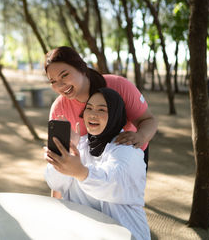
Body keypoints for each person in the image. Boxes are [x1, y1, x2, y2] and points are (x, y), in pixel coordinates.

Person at [44, 87, 150, 240]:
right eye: (89, 108)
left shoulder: (128, 149)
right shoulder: (80, 143)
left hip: (124, 233)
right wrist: (62, 155)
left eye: (102, 110)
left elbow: (111, 183)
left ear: (115, 115)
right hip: (82, 232)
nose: (93, 114)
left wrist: (80, 172)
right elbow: (56, 184)